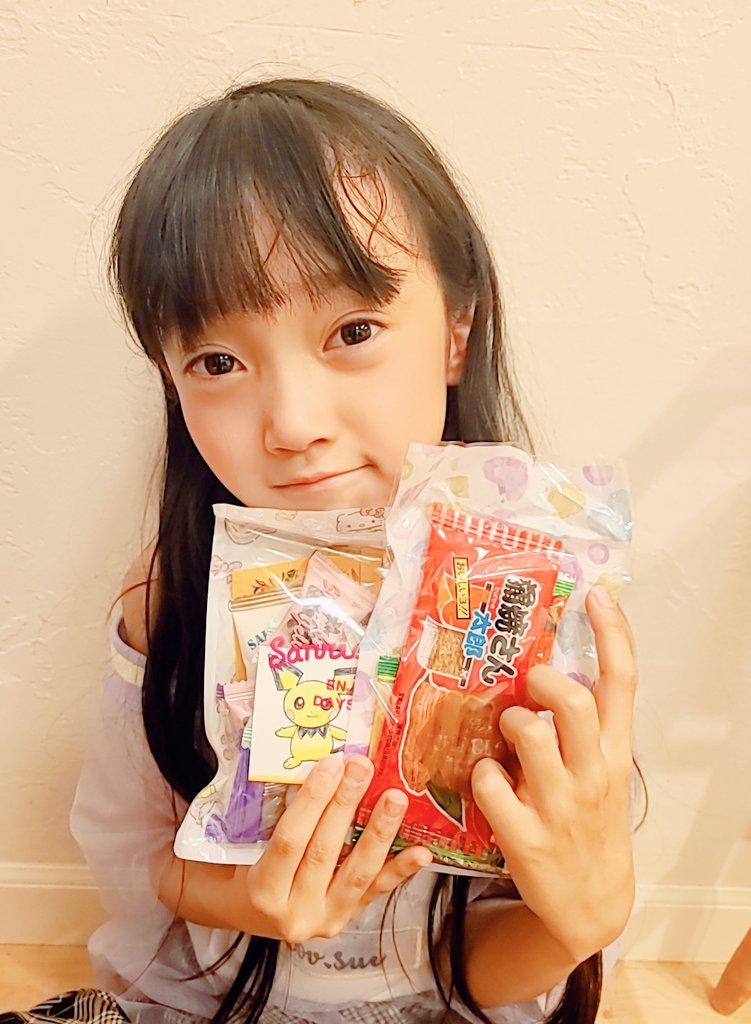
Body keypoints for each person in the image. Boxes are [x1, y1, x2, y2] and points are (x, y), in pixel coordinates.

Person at [3, 78, 637, 1024]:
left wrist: (582, 918)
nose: (293, 425)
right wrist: (247, 899)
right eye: (218, 362)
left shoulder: (532, 600)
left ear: (456, 331)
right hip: (211, 996)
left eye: (353, 331)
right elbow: (143, 858)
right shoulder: (173, 595)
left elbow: (486, 964)